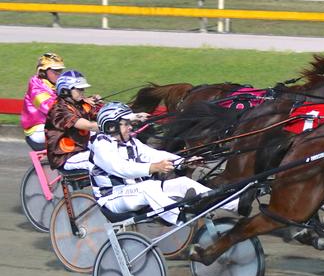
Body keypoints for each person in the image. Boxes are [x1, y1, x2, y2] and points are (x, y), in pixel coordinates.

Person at [89, 102, 236, 225]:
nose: (130, 127)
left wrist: (183, 162)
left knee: (183, 183)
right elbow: (122, 169)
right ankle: (180, 217)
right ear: (111, 127)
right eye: (126, 124)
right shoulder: (101, 146)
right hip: (112, 198)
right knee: (148, 186)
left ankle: (235, 204)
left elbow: (155, 154)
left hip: (136, 191)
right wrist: (153, 167)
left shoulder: (131, 142)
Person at [45, 70, 102, 171]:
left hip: (81, 148)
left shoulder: (79, 104)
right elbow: (89, 126)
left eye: (83, 89)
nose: (82, 92)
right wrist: (112, 125)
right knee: (102, 161)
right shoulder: (59, 109)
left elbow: (99, 115)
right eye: (79, 89)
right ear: (65, 90)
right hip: (66, 156)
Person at [21, 53, 66, 151]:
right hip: (37, 129)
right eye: (55, 71)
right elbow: (50, 108)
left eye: (60, 71)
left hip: (51, 124)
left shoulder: (55, 84)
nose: (59, 74)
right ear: (43, 71)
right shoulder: (36, 86)